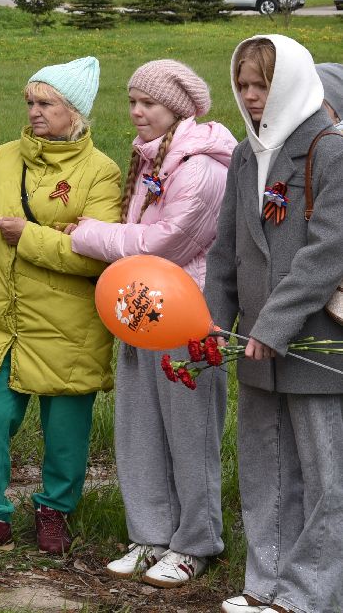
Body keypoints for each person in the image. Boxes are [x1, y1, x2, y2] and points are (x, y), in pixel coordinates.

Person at [0, 57, 122, 556]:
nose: (35, 112)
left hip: (68, 326)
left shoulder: (101, 172)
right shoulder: (3, 158)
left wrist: (29, 237)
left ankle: (54, 512)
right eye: (31, 102)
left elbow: (96, 256)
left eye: (47, 103)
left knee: (66, 430)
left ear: (75, 112)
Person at [66, 60, 235, 588]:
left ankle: (195, 542)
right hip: (142, 307)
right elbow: (140, 231)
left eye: (149, 103)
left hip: (186, 315)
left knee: (190, 433)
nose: (137, 112)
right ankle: (151, 534)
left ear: (177, 109)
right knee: (139, 428)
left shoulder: (204, 167)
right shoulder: (150, 159)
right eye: (133, 100)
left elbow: (166, 243)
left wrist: (88, 234)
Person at [204, 36, 343, 613]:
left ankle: (312, 593)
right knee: (266, 468)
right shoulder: (245, 152)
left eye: (262, 85)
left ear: (289, 82)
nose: (252, 97)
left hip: (315, 343)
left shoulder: (330, 150)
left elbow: (328, 250)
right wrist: (213, 322)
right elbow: (226, 249)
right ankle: (267, 585)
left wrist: (273, 325)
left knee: (326, 479)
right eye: (243, 86)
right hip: (256, 346)